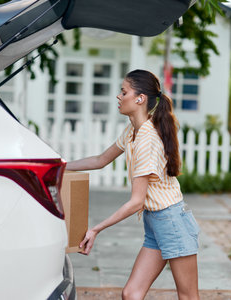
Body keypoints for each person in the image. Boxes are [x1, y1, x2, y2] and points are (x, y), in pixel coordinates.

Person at [66, 69, 200, 300]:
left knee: (187, 296)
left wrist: (96, 228)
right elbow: (100, 160)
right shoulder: (133, 131)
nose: (118, 96)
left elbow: (136, 201)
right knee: (131, 294)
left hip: (173, 221)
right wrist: (61, 167)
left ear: (140, 99)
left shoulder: (147, 139)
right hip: (156, 222)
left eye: (123, 91)